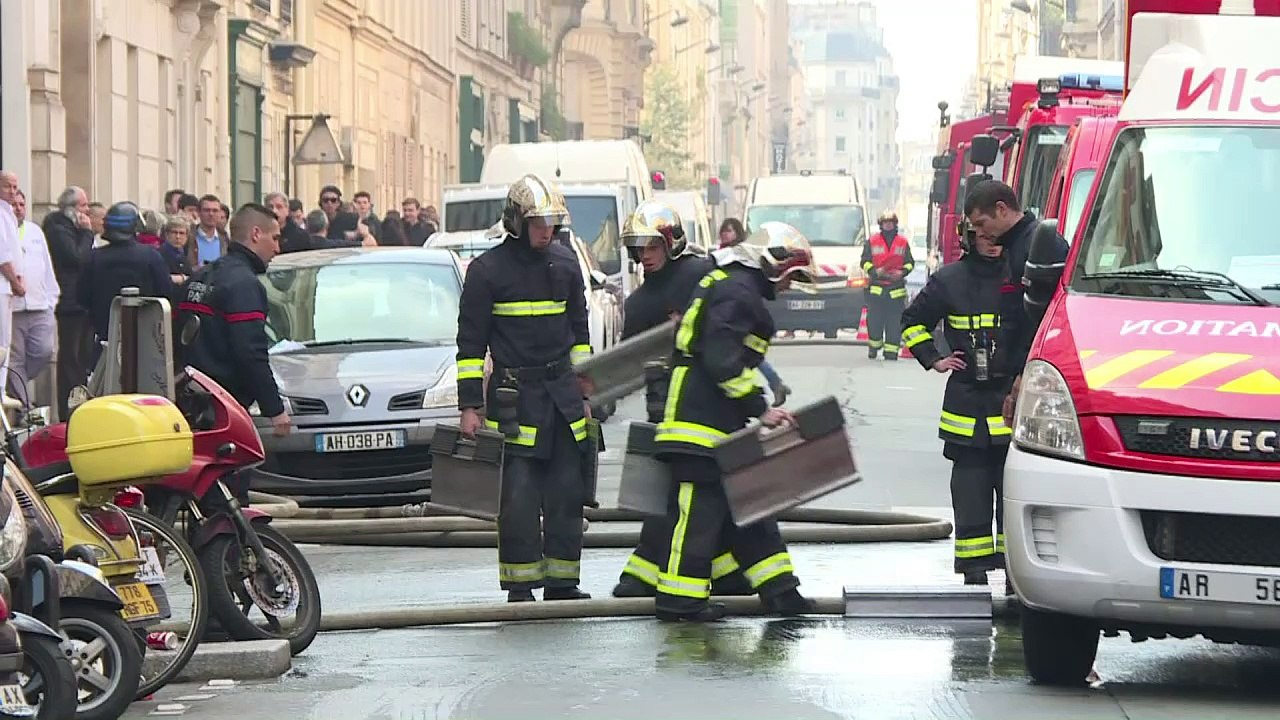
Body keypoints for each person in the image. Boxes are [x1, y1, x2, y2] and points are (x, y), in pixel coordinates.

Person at [898, 179, 1068, 588]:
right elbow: (912, 322)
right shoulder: (949, 280)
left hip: (1011, 396)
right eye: (979, 233)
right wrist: (935, 358)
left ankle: (1014, 571)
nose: (989, 240)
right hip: (968, 404)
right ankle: (974, 572)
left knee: (1013, 491)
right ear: (969, 238)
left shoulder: (1019, 270)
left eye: (989, 231)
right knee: (971, 491)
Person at [651, 221, 819, 622]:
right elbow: (720, 357)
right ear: (773, 263)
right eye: (791, 277)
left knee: (752, 504)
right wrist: (761, 407)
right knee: (699, 515)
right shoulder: (738, 292)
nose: (789, 287)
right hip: (698, 423)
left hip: (715, 423)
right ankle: (679, 599)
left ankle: (780, 591)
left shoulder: (731, 285)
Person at [454, 174, 594, 603]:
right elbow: (470, 345)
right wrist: (470, 406)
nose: (546, 231)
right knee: (517, 499)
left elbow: (580, 334)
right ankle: (520, 585)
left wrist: (586, 392)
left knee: (567, 493)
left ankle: (563, 582)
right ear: (516, 221)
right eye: (537, 223)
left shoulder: (566, 264)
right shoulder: (487, 272)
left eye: (551, 222)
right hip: (514, 399)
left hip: (562, 398)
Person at [609, 201, 753, 600]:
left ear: (671, 243)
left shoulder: (699, 275)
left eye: (652, 247)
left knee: (699, 494)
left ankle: (658, 574)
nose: (644, 256)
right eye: (639, 249)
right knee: (686, 494)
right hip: (669, 410)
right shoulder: (639, 302)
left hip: (706, 401)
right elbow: (628, 361)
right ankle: (648, 575)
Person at [177, 203, 291, 440]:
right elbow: (250, 352)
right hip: (225, 406)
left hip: (190, 402)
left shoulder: (201, 277)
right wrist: (274, 409)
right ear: (256, 234)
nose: (277, 248)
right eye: (275, 238)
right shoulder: (243, 284)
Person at [76, 201, 171, 367]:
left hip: (104, 338)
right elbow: (166, 292)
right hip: (145, 340)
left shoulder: (93, 258)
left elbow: (82, 297)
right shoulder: (151, 256)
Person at [715, 216, 791, 404]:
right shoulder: (721, 253)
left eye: (730, 230)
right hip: (729, 309)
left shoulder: (743, 252)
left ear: (738, 232)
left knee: (747, 351)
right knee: (745, 351)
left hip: (737, 310)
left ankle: (773, 384)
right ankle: (775, 384)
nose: (726, 234)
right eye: (724, 230)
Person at [861, 211, 915, 360]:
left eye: (891, 222)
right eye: (886, 223)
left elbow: (910, 263)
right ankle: (874, 346)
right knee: (874, 321)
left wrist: (902, 272)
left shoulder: (902, 242)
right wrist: (874, 271)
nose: (888, 225)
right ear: (881, 225)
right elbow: (864, 261)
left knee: (894, 323)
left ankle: (891, 351)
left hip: (896, 289)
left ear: (895, 224)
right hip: (877, 289)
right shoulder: (872, 241)